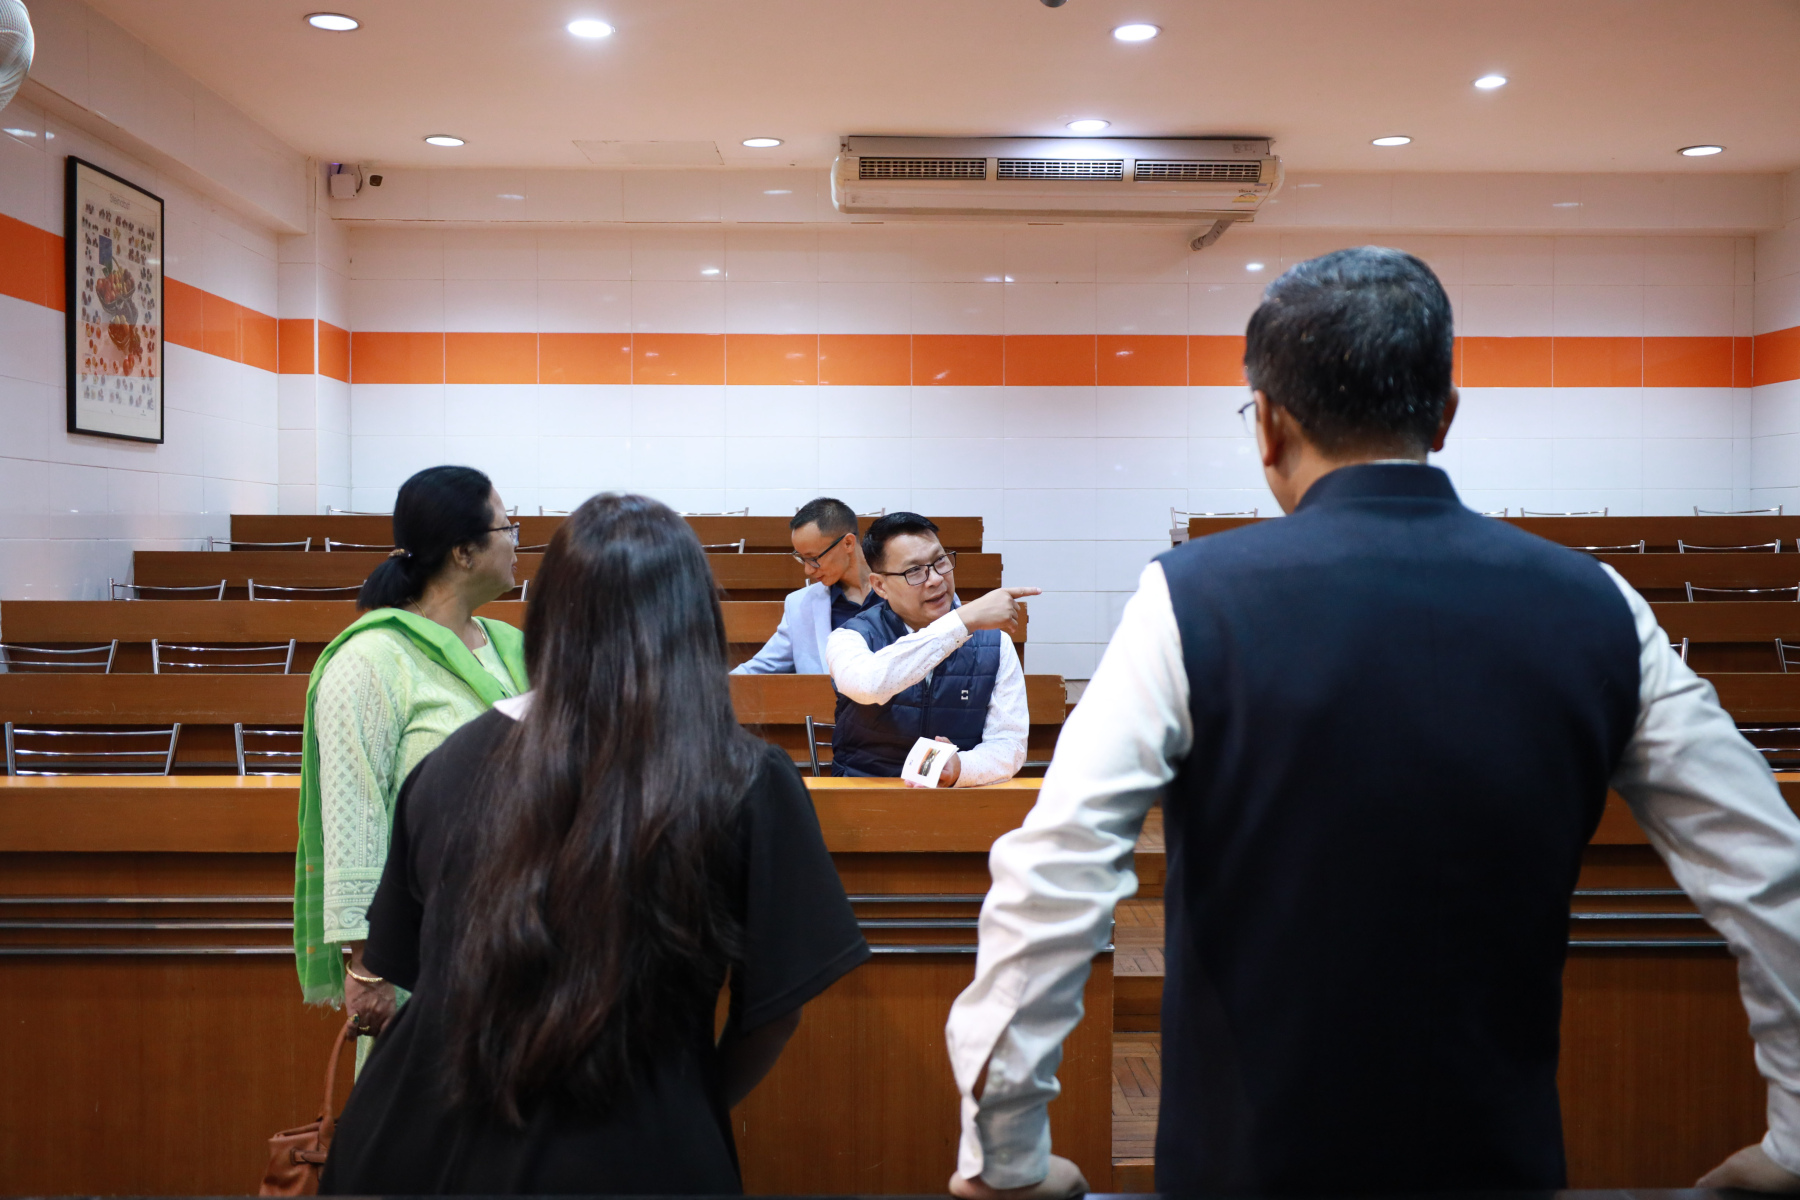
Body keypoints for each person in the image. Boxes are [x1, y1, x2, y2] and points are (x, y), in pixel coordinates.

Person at [942, 246, 1800, 1198]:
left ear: (1269, 425)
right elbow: (1771, 872)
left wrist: (1004, 1158)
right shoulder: (1600, 605)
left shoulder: (1187, 601)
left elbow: (1055, 874)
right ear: (1444, 415)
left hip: (1242, 1169)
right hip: (1498, 1168)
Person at [319, 494, 870, 1194]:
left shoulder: (447, 766)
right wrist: (685, 1102)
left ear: (550, 617)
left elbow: (410, 972)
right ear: (693, 622)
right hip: (637, 1147)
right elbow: (774, 1012)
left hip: (429, 1146)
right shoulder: (746, 777)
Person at [294, 465, 528, 1058]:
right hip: (425, 946)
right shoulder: (371, 661)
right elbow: (353, 813)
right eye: (507, 527)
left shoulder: (512, 647)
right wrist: (367, 965)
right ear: (463, 552)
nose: (516, 542)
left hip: (524, 933)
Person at [827, 512, 1038, 787]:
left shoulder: (995, 645)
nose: (936, 579)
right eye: (914, 571)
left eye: (940, 561)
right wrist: (962, 621)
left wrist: (961, 767)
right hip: (865, 793)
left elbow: (1010, 745)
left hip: (955, 797)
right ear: (880, 585)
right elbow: (870, 686)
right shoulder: (849, 637)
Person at [733, 496, 876, 674]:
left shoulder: (900, 592)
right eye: (802, 558)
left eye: (813, 558)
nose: (808, 570)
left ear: (848, 543)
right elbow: (759, 669)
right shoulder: (799, 605)